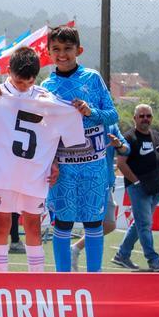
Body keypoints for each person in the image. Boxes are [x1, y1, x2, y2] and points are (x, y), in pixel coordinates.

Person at [0, 47, 85, 272]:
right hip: (4, 173)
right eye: (18, 81)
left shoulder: (46, 100)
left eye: (28, 82)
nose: (23, 86)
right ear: (8, 72)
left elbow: (63, 132)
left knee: (33, 225)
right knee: (1, 224)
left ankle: (36, 279)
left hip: (34, 175)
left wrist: (75, 112)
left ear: (36, 77)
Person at [41, 25, 118, 273]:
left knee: (94, 223)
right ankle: (63, 278)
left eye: (68, 49)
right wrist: (50, 163)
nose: (62, 54)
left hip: (93, 167)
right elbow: (44, 131)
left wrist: (90, 111)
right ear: (49, 52)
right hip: (63, 169)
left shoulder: (93, 78)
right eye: (56, 49)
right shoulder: (46, 86)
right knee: (62, 224)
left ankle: (94, 277)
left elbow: (112, 115)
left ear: (79, 50)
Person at [113, 104, 159, 272]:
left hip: (157, 186)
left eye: (148, 116)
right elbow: (121, 164)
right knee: (145, 224)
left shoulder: (157, 135)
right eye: (142, 116)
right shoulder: (128, 138)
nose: (145, 118)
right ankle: (153, 260)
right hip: (138, 188)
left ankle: (122, 255)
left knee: (141, 223)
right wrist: (137, 182)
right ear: (135, 118)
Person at [72, 123, 129, 270]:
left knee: (108, 224)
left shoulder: (112, 125)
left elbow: (126, 149)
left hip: (105, 182)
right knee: (92, 225)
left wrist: (119, 144)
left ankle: (76, 249)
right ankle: (93, 270)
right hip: (84, 180)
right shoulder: (81, 121)